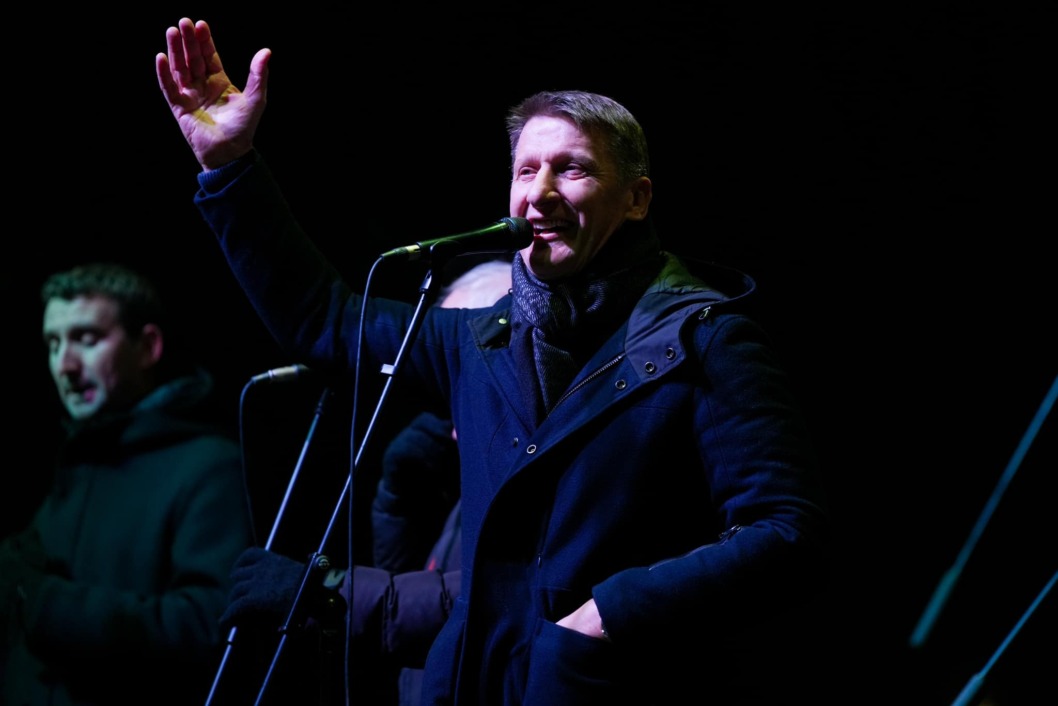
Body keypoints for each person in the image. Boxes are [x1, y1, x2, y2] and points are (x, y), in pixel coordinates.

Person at [156, 17, 830, 705]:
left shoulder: (706, 340)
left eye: (572, 168)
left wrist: (609, 615)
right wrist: (230, 167)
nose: (539, 192)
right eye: (526, 170)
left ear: (636, 199)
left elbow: (789, 533)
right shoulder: (478, 340)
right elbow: (323, 319)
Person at [219, 260, 512, 705]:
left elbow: (485, 604)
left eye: (468, 371)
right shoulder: (462, 481)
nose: (452, 406)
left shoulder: (539, 484)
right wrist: (399, 500)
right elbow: (411, 588)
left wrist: (330, 595)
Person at [0, 262, 257, 706]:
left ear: (148, 346)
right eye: (53, 344)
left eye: (87, 339)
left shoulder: (209, 467)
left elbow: (214, 627)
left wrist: (47, 606)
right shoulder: (76, 463)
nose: (65, 366)